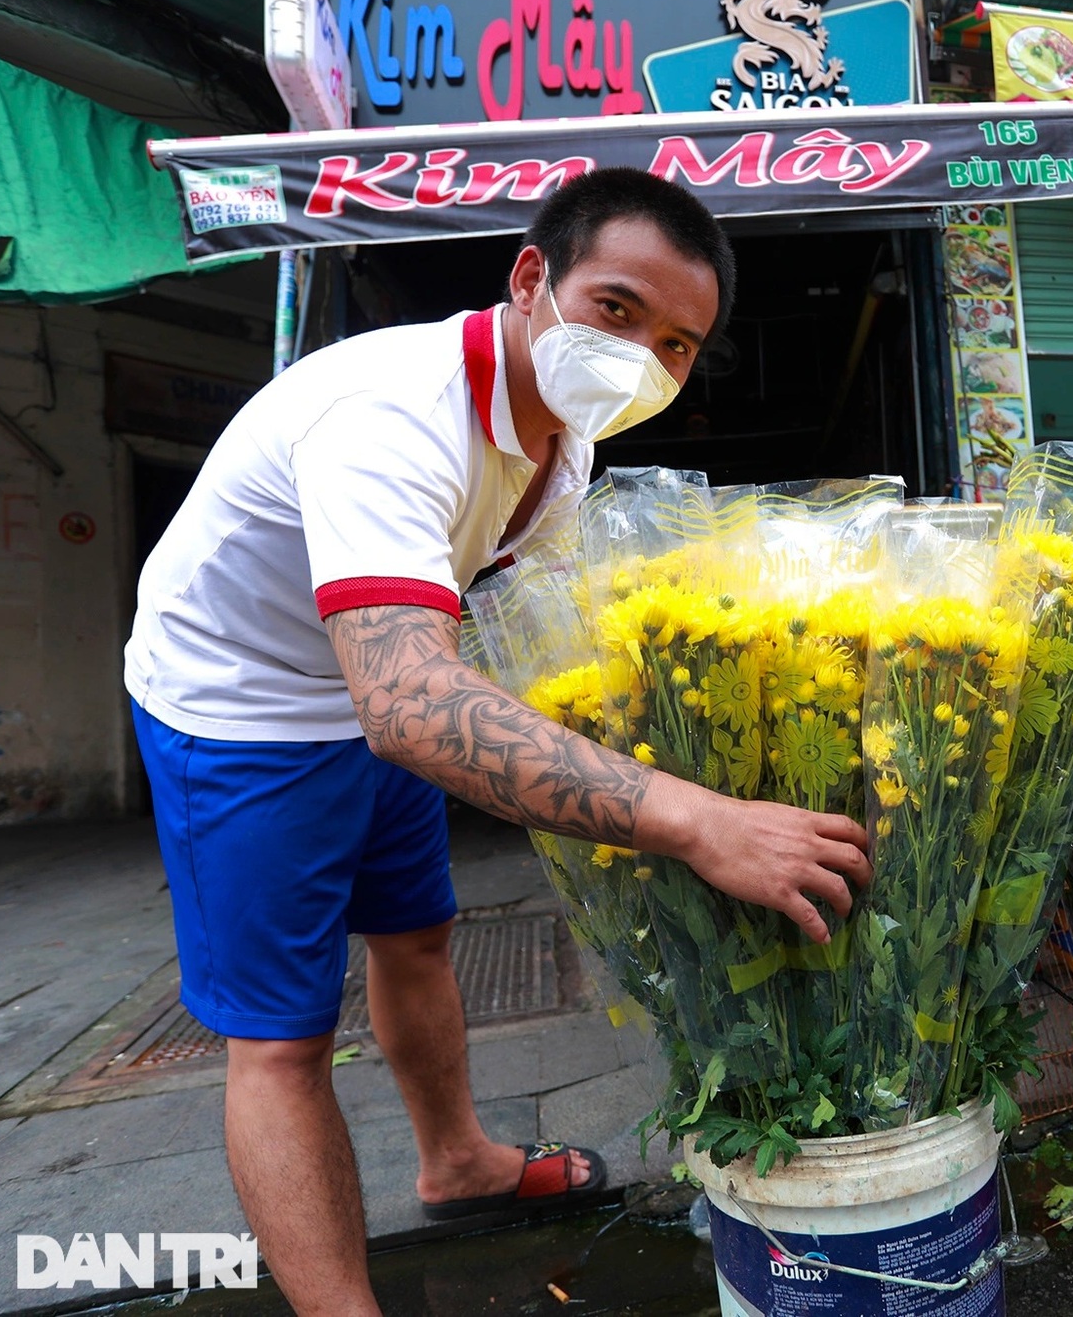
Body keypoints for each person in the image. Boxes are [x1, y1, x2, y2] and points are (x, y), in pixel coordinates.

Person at [123, 168, 870, 1317]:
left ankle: (459, 1160)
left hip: (388, 680)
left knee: (417, 936)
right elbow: (415, 705)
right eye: (618, 309)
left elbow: (516, 636)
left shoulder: (566, 436)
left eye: (678, 343)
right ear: (532, 280)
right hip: (245, 708)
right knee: (280, 1038)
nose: (640, 360)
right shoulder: (391, 414)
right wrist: (695, 817)